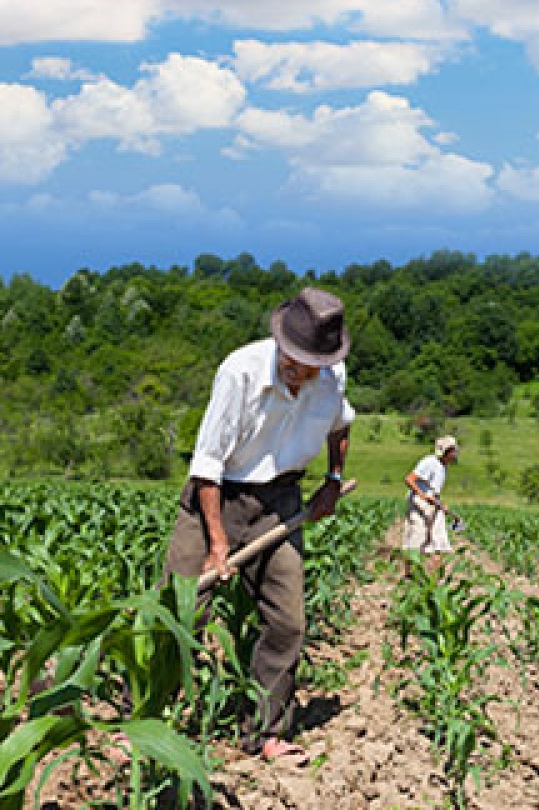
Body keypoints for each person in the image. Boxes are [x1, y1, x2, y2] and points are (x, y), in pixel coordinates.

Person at [162, 287, 354, 767]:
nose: (297, 366)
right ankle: (144, 718)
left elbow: (340, 426)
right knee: (180, 611)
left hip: (281, 503)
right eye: (291, 355)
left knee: (288, 622)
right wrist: (218, 543)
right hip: (217, 496)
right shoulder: (240, 372)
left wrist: (332, 479)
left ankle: (266, 732)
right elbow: (205, 465)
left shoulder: (332, 380)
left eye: (308, 360)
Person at [402, 435, 459, 574]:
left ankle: (435, 579)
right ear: (447, 451)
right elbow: (409, 480)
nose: (456, 453)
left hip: (433, 503)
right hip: (419, 503)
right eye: (454, 451)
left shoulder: (443, 466)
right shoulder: (429, 462)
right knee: (417, 538)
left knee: (439, 541)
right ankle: (409, 575)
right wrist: (423, 496)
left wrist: (440, 503)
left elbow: (433, 489)